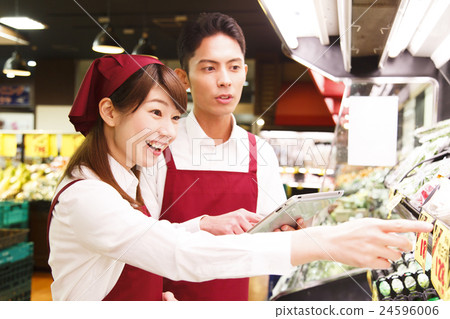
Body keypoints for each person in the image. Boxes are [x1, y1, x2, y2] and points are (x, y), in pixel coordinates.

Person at [47, 53, 432, 301]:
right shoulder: (87, 198)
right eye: (155, 113)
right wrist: (321, 242)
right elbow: (180, 256)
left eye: (175, 117)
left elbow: (150, 240)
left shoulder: (125, 181)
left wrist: (205, 223)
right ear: (109, 112)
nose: (168, 131)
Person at [142, 12, 297, 301]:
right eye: (210, 68)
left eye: (234, 67)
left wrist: (294, 231)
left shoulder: (260, 152)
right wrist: (202, 225)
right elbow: (141, 240)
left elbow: (270, 251)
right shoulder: (160, 148)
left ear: (244, 74)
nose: (225, 80)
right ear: (183, 78)